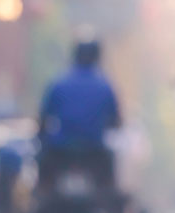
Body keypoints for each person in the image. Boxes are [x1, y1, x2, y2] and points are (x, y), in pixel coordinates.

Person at [37, 34, 121, 193]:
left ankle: (39, 200)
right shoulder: (105, 86)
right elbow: (116, 121)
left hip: (60, 151)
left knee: (43, 182)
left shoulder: (58, 83)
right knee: (109, 184)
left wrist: (42, 137)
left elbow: (43, 118)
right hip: (95, 151)